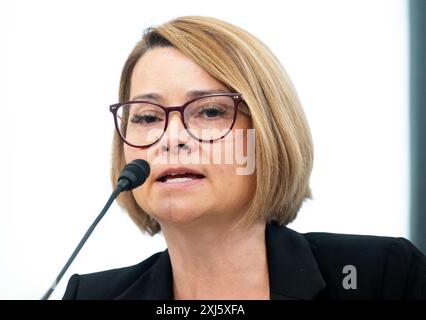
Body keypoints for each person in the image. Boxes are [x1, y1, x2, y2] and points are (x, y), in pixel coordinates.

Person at [62, 16, 426, 300]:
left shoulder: (380, 275)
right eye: (147, 117)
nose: (171, 139)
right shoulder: (91, 295)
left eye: (209, 112)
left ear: (268, 133)